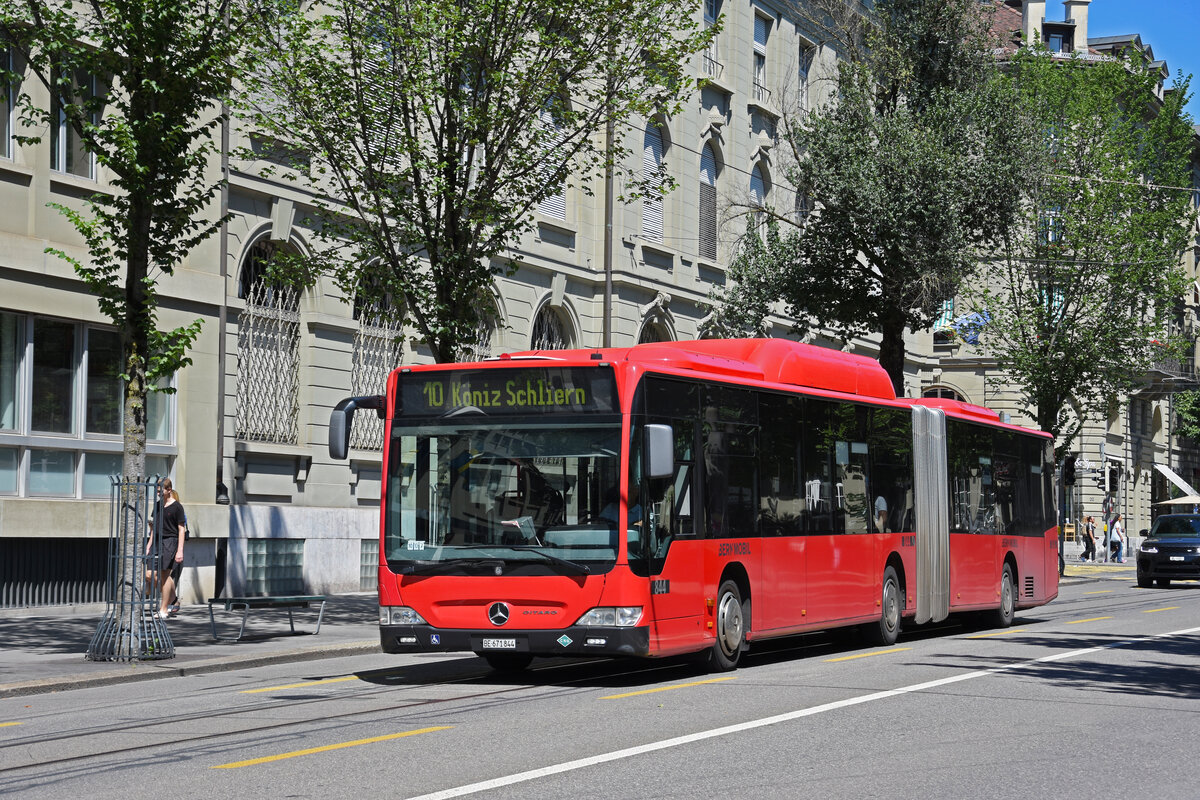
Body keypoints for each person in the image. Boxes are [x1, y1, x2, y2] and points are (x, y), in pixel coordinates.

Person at [146, 478, 186, 619]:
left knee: (164, 575)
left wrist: (180, 550)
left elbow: (182, 530)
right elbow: (153, 528)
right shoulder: (157, 506)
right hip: (156, 542)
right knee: (149, 574)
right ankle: (173, 597)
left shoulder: (177, 507)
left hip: (170, 542)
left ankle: (163, 609)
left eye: (160, 491)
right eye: (156, 491)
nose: (157, 493)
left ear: (169, 490)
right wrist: (149, 545)